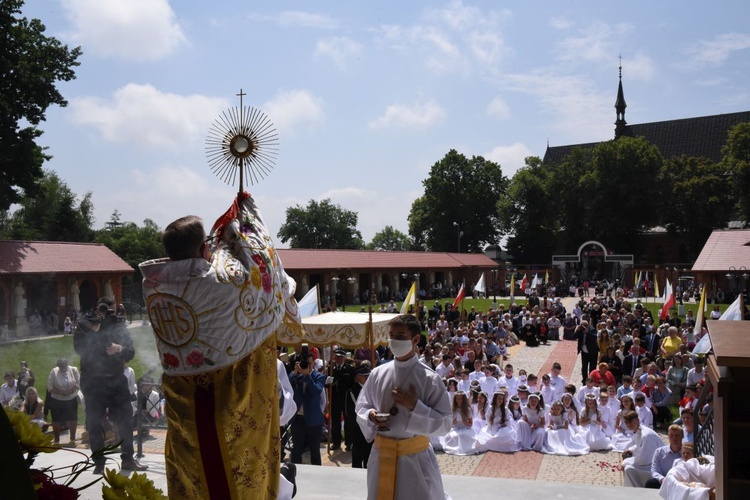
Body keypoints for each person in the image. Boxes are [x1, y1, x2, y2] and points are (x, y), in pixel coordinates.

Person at [140, 203, 302, 498]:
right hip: (224, 397)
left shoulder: (151, 285)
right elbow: (259, 264)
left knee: (194, 476)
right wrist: (241, 223)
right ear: (204, 248)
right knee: (229, 477)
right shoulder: (223, 281)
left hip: (183, 403)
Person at [355, 314, 452, 500]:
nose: (393, 341)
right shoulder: (378, 373)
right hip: (382, 455)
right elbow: (362, 405)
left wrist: (416, 406)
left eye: (400, 336)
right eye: (391, 336)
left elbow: (445, 424)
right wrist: (371, 415)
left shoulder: (429, 379)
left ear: (416, 339)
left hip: (415, 459)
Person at [74, 297, 146, 474]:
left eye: (108, 310)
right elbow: (79, 349)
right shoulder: (85, 325)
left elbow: (131, 352)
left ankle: (128, 459)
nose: (105, 314)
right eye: (102, 310)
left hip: (115, 379)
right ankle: (99, 461)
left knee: (125, 421)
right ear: (96, 309)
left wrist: (119, 348)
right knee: (94, 422)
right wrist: (94, 331)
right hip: (92, 381)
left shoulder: (118, 325)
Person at [622, 410, 665, 487]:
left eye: (631, 421)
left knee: (628, 469)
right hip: (648, 461)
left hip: (655, 465)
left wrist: (626, 461)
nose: (629, 424)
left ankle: (637, 490)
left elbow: (644, 459)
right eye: (626, 422)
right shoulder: (638, 431)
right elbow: (639, 445)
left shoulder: (646, 435)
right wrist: (630, 450)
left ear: (637, 420)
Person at [46, 358, 80, 445]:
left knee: (73, 418)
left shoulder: (74, 370)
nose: (63, 369)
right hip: (57, 399)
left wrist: (71, 391)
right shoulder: (54, 372)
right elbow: (49, 386)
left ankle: (72, 438)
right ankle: (56, 440)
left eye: (64, 367)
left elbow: (78, 382)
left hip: (71, 399)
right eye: (61, 368)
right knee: (56, 420)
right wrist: (61, 392)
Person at [345, 365, 373, 468]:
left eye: (368, 375)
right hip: (358, 430)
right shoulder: (352, 391)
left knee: (369, 460)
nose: (367, 378)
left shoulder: (373, 390)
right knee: (357, 459)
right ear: (357, 377)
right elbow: (348, 413)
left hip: (371, 429)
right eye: (364, 375)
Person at [329, 347, 355, 451]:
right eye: (337, 356)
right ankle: (336, 442)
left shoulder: (349, 369)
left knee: (348, 421)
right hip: (335, 398)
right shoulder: (331, 369)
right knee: (335, 422)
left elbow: (352, 384)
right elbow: (327, 385)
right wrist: (328, 383)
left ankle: (349, 443)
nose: (339, 359)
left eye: (341, 357)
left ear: (344, 358)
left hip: (346, 399)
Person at [644, 424, 684, 488]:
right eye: (671, 435)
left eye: (677, 435)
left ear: (682, 436)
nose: (674, 438)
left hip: (680, 483)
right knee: (650, 483)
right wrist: (662, 479)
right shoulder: (659, 452)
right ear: (668, 436)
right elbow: (654, 471)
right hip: (664, 482)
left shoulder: (686, 453)